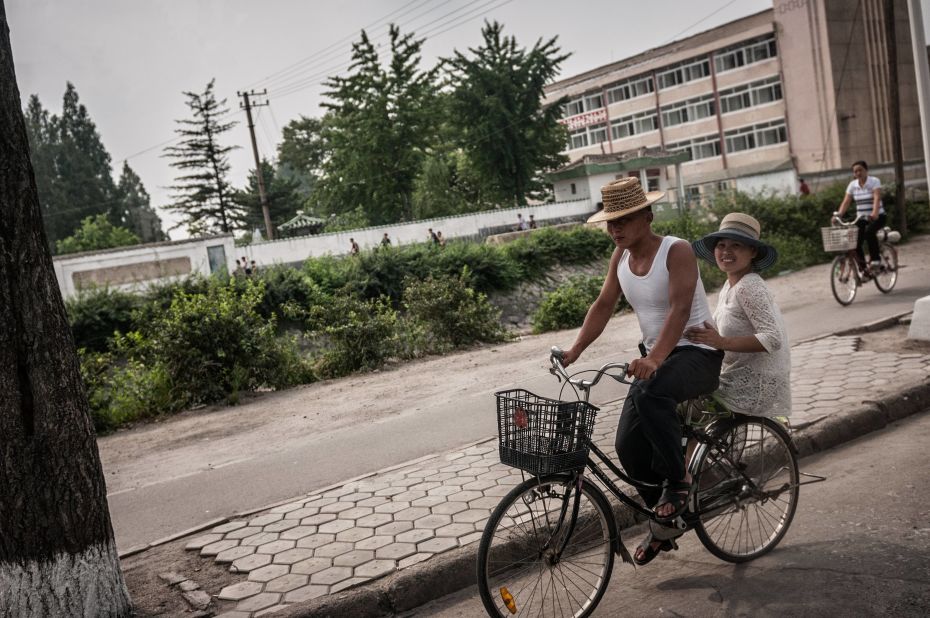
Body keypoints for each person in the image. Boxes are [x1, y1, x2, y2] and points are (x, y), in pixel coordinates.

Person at [560, 177, 723, 565]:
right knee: (627, 447)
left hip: (697, 353)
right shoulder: (620, 259)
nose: (614, 229)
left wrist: (655, 358)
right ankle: (663, 523)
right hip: (660, 360)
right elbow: (603, 304)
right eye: (609, 223)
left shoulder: (676, 251)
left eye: (623, 220)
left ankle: (678, 484)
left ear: (647, 216)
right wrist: (575, 350)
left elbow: (680, 309)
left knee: (651, 395)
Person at [685, 213, 791, 421]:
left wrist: (722, 342)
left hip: (754, 385)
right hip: (735, 376)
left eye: (736, 245)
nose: (726, 252)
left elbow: (772, 338)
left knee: (686, 412)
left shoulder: (749, 286)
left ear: (753, 251)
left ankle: (692, 455)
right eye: (721, 245)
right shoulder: (730, 285)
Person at [835, 160, 886, 277]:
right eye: (855, 171)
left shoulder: (874, 181)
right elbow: (846, 202)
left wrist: (875, 213)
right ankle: (864, 270)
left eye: (860, 170)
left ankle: (876, 260)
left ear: (866, 170)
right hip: (861, 218)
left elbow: (877, 198)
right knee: (855, 242)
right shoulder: (853, 185)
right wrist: (838, 215)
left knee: (869, 233)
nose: (858, 173)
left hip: (878, 216)